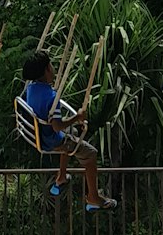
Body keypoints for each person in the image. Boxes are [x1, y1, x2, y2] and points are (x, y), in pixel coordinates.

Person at [21, 51, 116, 210]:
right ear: (46, 70)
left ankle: (61, 176)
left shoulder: (31, 89)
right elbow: (57, 126)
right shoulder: (51, 97)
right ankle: (93, 197)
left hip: (41, 134)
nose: (53, 68)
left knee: (74, 133)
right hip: (52, 139)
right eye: (50, 65)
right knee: (91, 153)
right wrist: (77, 117)